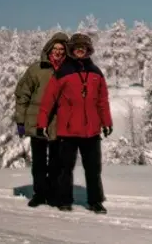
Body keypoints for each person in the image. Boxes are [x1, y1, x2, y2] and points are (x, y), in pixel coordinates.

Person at [36, 32, 113, 214]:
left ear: (88, 50)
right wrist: (42, 123)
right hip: (68, 131)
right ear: (71, 50)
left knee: (93, 170)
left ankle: (95, 202)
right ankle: (64, 201)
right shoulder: (62, 72)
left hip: (92, 131)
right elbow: (48, 100)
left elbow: (102, 100)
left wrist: (106, 122)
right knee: (65, 169)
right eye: (77, 47)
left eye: (83, 47)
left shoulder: (96, 73)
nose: (80, 50)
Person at [12, 31, 68, 208]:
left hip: (60, 125)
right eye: (55, 48)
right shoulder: (37, 69)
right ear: (49, 49)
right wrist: (20, 121)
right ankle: (39, 194)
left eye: (62, 49)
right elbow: (22, 94)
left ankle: (53, 194)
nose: (58, 52)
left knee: (56, 163)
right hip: (37, 122)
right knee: (39, 162)